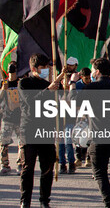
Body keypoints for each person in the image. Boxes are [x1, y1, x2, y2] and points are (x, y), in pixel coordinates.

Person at [19, 53, 70, 208]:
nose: (47, 70)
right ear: (34, 68)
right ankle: (25, 200)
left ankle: (44, 200)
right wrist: (49, 89)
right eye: (43, 68)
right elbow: (31, 103)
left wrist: (63, 83)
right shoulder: (25, 83)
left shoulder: (51, 85)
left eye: (48, 67)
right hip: (29, 130)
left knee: (47, 168)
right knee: (28, 168)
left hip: (47, 130)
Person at [80, 58, 110, 208]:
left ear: (97, 71)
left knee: (100, 172)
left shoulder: (90, 88)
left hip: (99, 135)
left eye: (94, 70)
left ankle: (109, 202)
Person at [57, 56, 78, 174]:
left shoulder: (75, 79)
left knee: (68, 141)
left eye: (71, 65)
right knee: (60, 142)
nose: (69, 67)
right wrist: (61, 75)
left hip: (70, 116)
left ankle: (71, 163)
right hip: (59, 116)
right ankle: (62, 163)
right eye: (68, 64)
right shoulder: (61, 78)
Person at [1, 61, 21, 175]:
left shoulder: (20, 83)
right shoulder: (4, 83)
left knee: (21, 142)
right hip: (7, 117)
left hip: (19, 117)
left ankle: (20, 164)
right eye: (10, 71)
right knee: (4, 142)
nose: (12, 74)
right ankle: (5, 164)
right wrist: (3, 89)